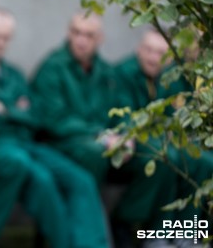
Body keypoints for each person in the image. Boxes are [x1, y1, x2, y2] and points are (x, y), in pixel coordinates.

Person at [30, 13, 176, 246]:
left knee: (157, 155)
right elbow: (54, 119)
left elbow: (124, 111)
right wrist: (101, 135)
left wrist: (127, 135)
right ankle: (85, 231)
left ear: (100, 38)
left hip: (107, 146)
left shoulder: (107, 72)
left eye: (88, 35)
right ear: (68, 33)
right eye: (76, 32)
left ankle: (124, 221)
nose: (81, 40)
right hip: (62, 145)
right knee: (93, 152)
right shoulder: (52, 68)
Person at [0, 8, 109, 247]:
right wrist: (18, 110)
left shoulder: (14, 73)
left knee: (81, 180)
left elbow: (36, 116)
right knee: (43, 181)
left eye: (4, 37)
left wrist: (5, 109)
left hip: (29, 145)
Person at [116, 30, 213, 248]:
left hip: (172, 141)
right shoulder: (126, 74)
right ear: (138, 50)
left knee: (204, 162)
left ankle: (188, 233)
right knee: (169, 159)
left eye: (159, 53)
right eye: (148, 50)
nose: (152, 57)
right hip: (147, 144)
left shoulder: (178, 77)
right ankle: (157, 233)